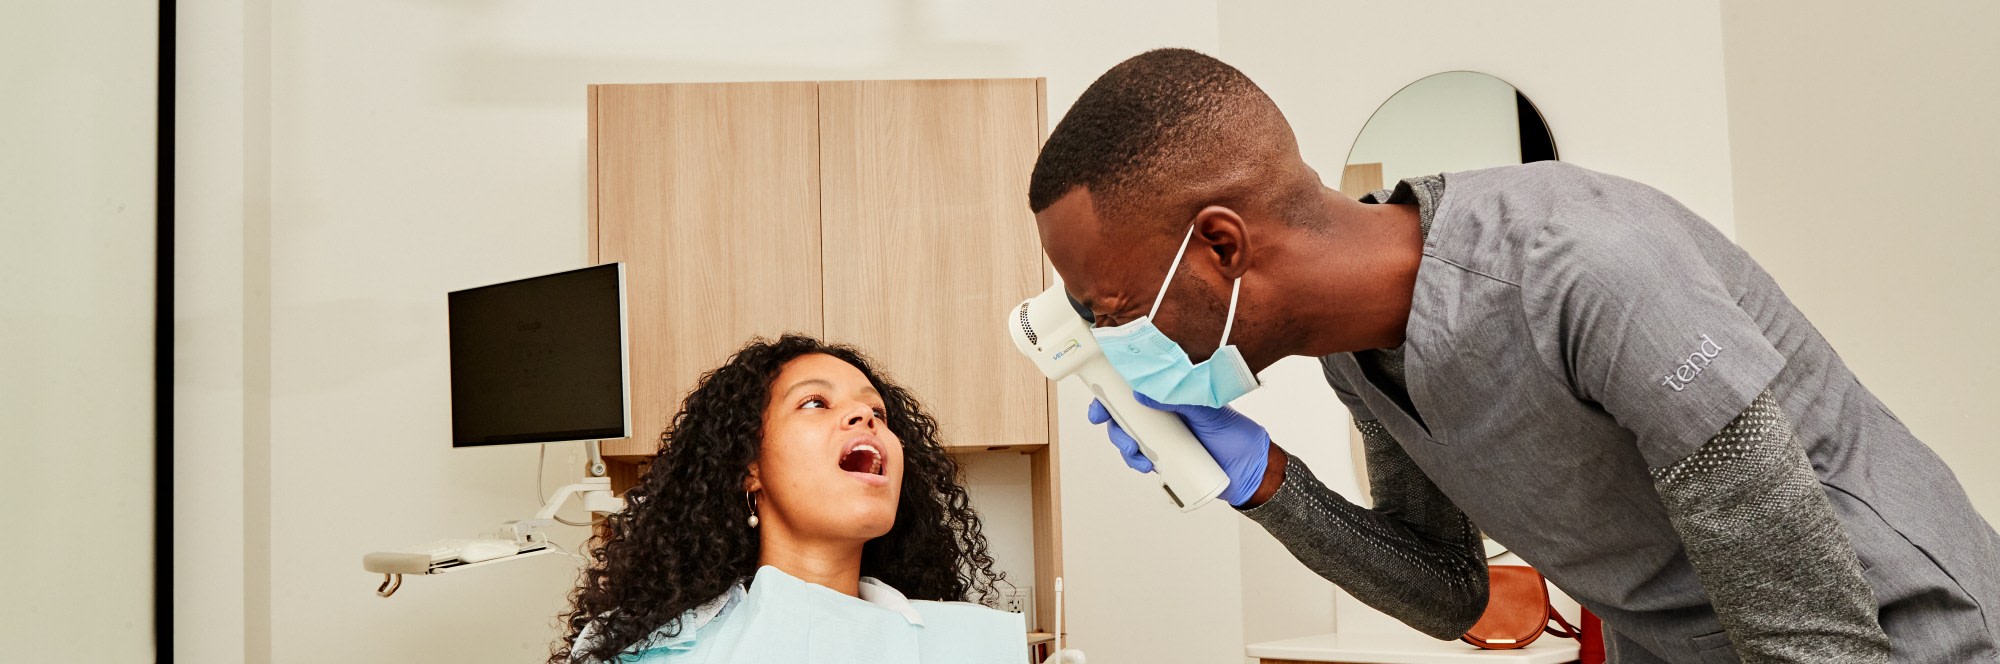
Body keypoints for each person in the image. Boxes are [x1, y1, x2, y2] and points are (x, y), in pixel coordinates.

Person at [1029, 48, 2000, 663]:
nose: (1117, 344)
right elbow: (1450, 592)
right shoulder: (1353, 352)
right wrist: (1264, 484)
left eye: (1112, 310)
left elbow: (1812, 633)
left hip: (1900, 635)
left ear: (1221, 246)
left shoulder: (1589, 270)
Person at [551, 335, 1023, 663]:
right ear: (749, 468)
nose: (863, 414)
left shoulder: (973, 643)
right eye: (815, 402)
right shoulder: (644, 650)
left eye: (877, 410)